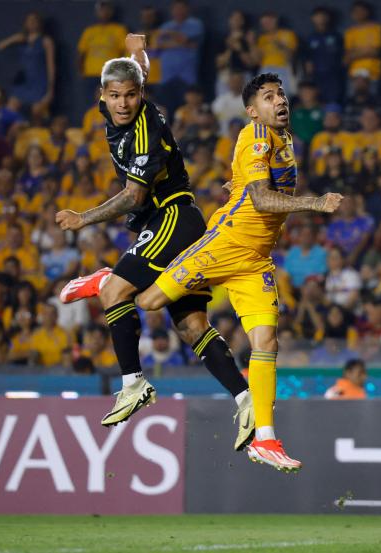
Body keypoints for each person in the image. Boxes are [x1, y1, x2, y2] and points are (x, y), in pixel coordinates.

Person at [130, 73, 343, 472]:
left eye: (280, 93)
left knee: (267, 341)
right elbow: (262, 199)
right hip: (226, 244)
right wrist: (315, 203)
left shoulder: (285, 138)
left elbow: (254, 182)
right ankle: (109, 278)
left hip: (257, 259)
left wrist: (240, 181)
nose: (279, 100)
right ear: (252, 110)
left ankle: (266, 439)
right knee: (148, 301)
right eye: (268, 96)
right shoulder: (257, 132)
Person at [55, 35, 254, 452]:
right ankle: (246, 398)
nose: (123, 104)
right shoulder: (120, 97)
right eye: (115, 96)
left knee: (115, 292)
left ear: (141, 96)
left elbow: (134, 197)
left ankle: (134, 383)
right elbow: (135, 69)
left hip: (173, 217)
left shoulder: (145, 131)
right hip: (179, 223)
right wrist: (136, 51)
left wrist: (82, 217)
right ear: (103, 96)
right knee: (191, 325)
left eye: (130, 96)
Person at [0, 11, 55, 115]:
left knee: (37, 112)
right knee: (10, 109)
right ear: (25, 23)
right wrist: (13, 39)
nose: (32, 23)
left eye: (34, 20)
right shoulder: (21, 39)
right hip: (24, 82)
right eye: (29, 21)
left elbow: (51, 66)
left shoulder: (46, 41)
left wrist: (50, 90)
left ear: (39, 23)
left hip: (39, 83)